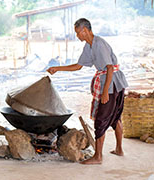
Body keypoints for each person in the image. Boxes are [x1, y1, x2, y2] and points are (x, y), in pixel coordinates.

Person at [47, 18, 128, 164]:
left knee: (101, 120)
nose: (77, 36)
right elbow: (78, 66)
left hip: (112, 83)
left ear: (85, 30)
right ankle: (119, 150)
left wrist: (105, 92)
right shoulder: (89, 46)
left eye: (78, 33)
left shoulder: (99, 44)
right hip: (116, 82)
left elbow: (109, 68)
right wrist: (57, 69)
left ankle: (98, 157)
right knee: (115, 117)